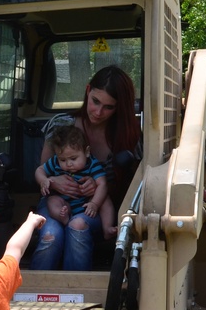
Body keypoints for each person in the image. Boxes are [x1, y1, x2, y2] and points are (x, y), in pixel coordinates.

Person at [28, 65, 141, 271]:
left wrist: (98, 188)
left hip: (94, 207)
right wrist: (54, 182)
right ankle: (34, 289)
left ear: (120, 108)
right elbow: (43, 170)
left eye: (109, 107)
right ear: (88, 90)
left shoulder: (127, 135)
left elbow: (142, 180)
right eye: (95, 101)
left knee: (77, 227)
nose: (98, 112)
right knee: (50, 235)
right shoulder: (61, 125)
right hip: (55, 202)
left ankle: (78, 291)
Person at [35, 124, 116, 239]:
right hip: (65, 202)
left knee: (105, 200)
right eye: (63, 159)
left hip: (87, 204)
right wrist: (43, 180)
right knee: (52, 200)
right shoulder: (55, 163)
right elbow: (40, 170)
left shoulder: (92, 164)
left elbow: (102, 184)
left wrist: (94, 204)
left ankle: (107, 228)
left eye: (73, 158)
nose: (68, 164)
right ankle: (62, 217)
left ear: (87, 152)